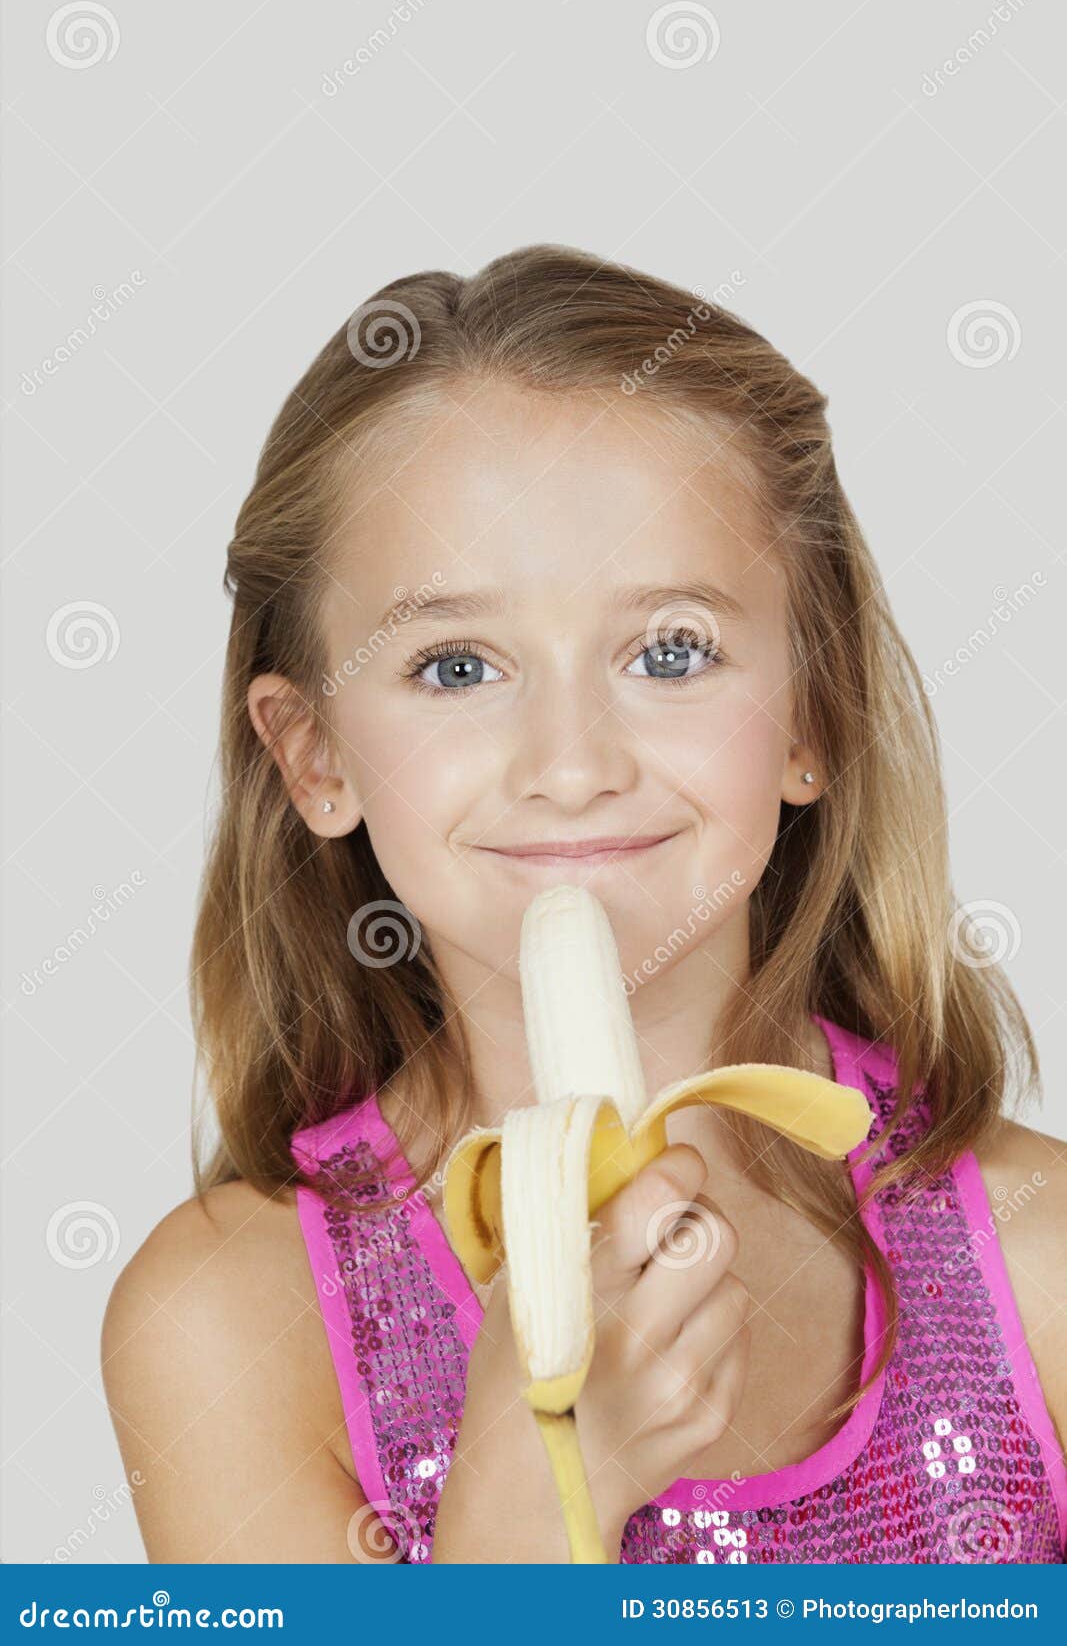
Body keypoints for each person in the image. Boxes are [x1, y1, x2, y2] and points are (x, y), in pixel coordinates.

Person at [101, 245, 1067, 1564]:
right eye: (455, 665)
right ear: (313, 755)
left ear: (812, 713)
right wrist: (531, 1485)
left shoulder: (1036, 1258)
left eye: (671, 651)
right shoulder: (229, 1318)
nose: (572, 765)